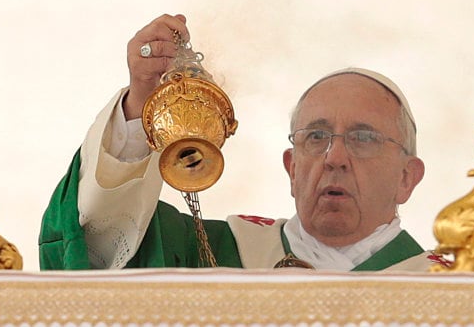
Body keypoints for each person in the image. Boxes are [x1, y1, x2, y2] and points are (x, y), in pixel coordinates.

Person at [39, 14, 435, 271]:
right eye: (315, 136)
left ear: (407, 178)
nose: (335, 157)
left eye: (362, 138)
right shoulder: (212, 253)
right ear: (291, 168)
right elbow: (94, 246)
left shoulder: (463, 290)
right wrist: (142, 103)